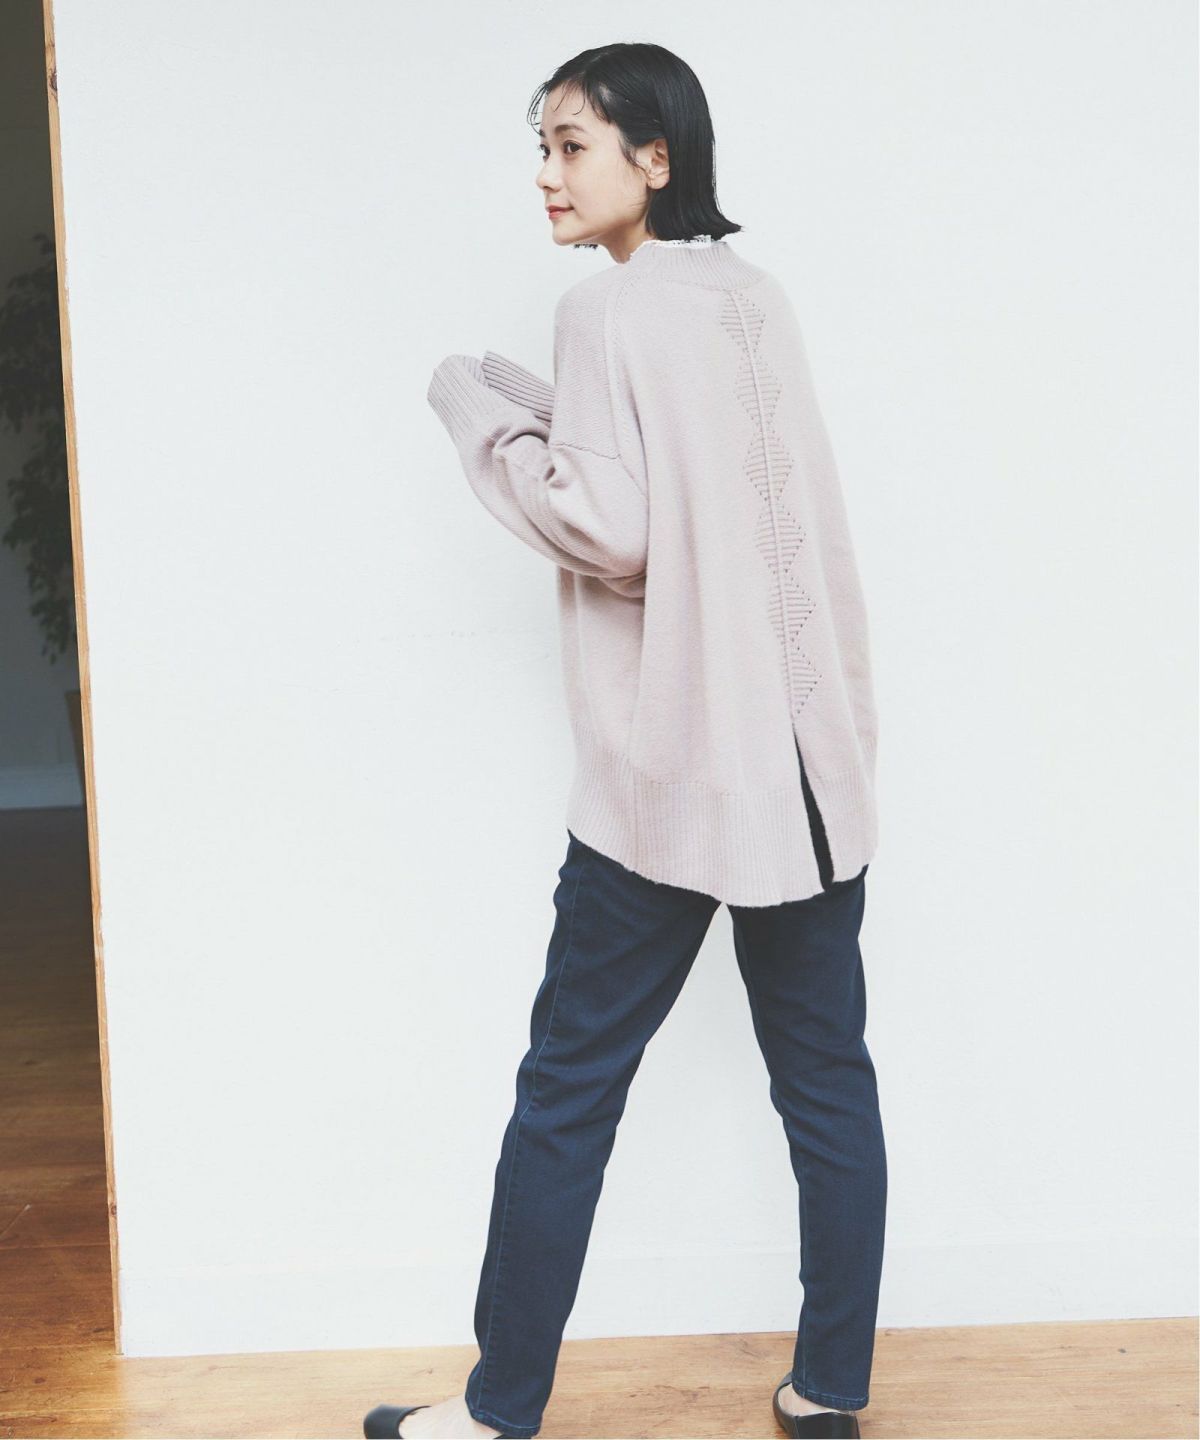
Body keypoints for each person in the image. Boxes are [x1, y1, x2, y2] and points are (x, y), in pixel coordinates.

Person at [365, 41, 885, 1440]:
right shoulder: (757, 298)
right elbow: (708, 496)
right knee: (828, 1086)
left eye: (573, 144)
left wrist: (479, 412)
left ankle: (498, 1411)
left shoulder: (602, 312)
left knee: (567, 1093)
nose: (548, 175)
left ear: (657, 157)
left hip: (677, 777)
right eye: (541, 147)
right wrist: (551, 415)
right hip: (811, 772)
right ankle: (830, 1390)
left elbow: (613, 528)